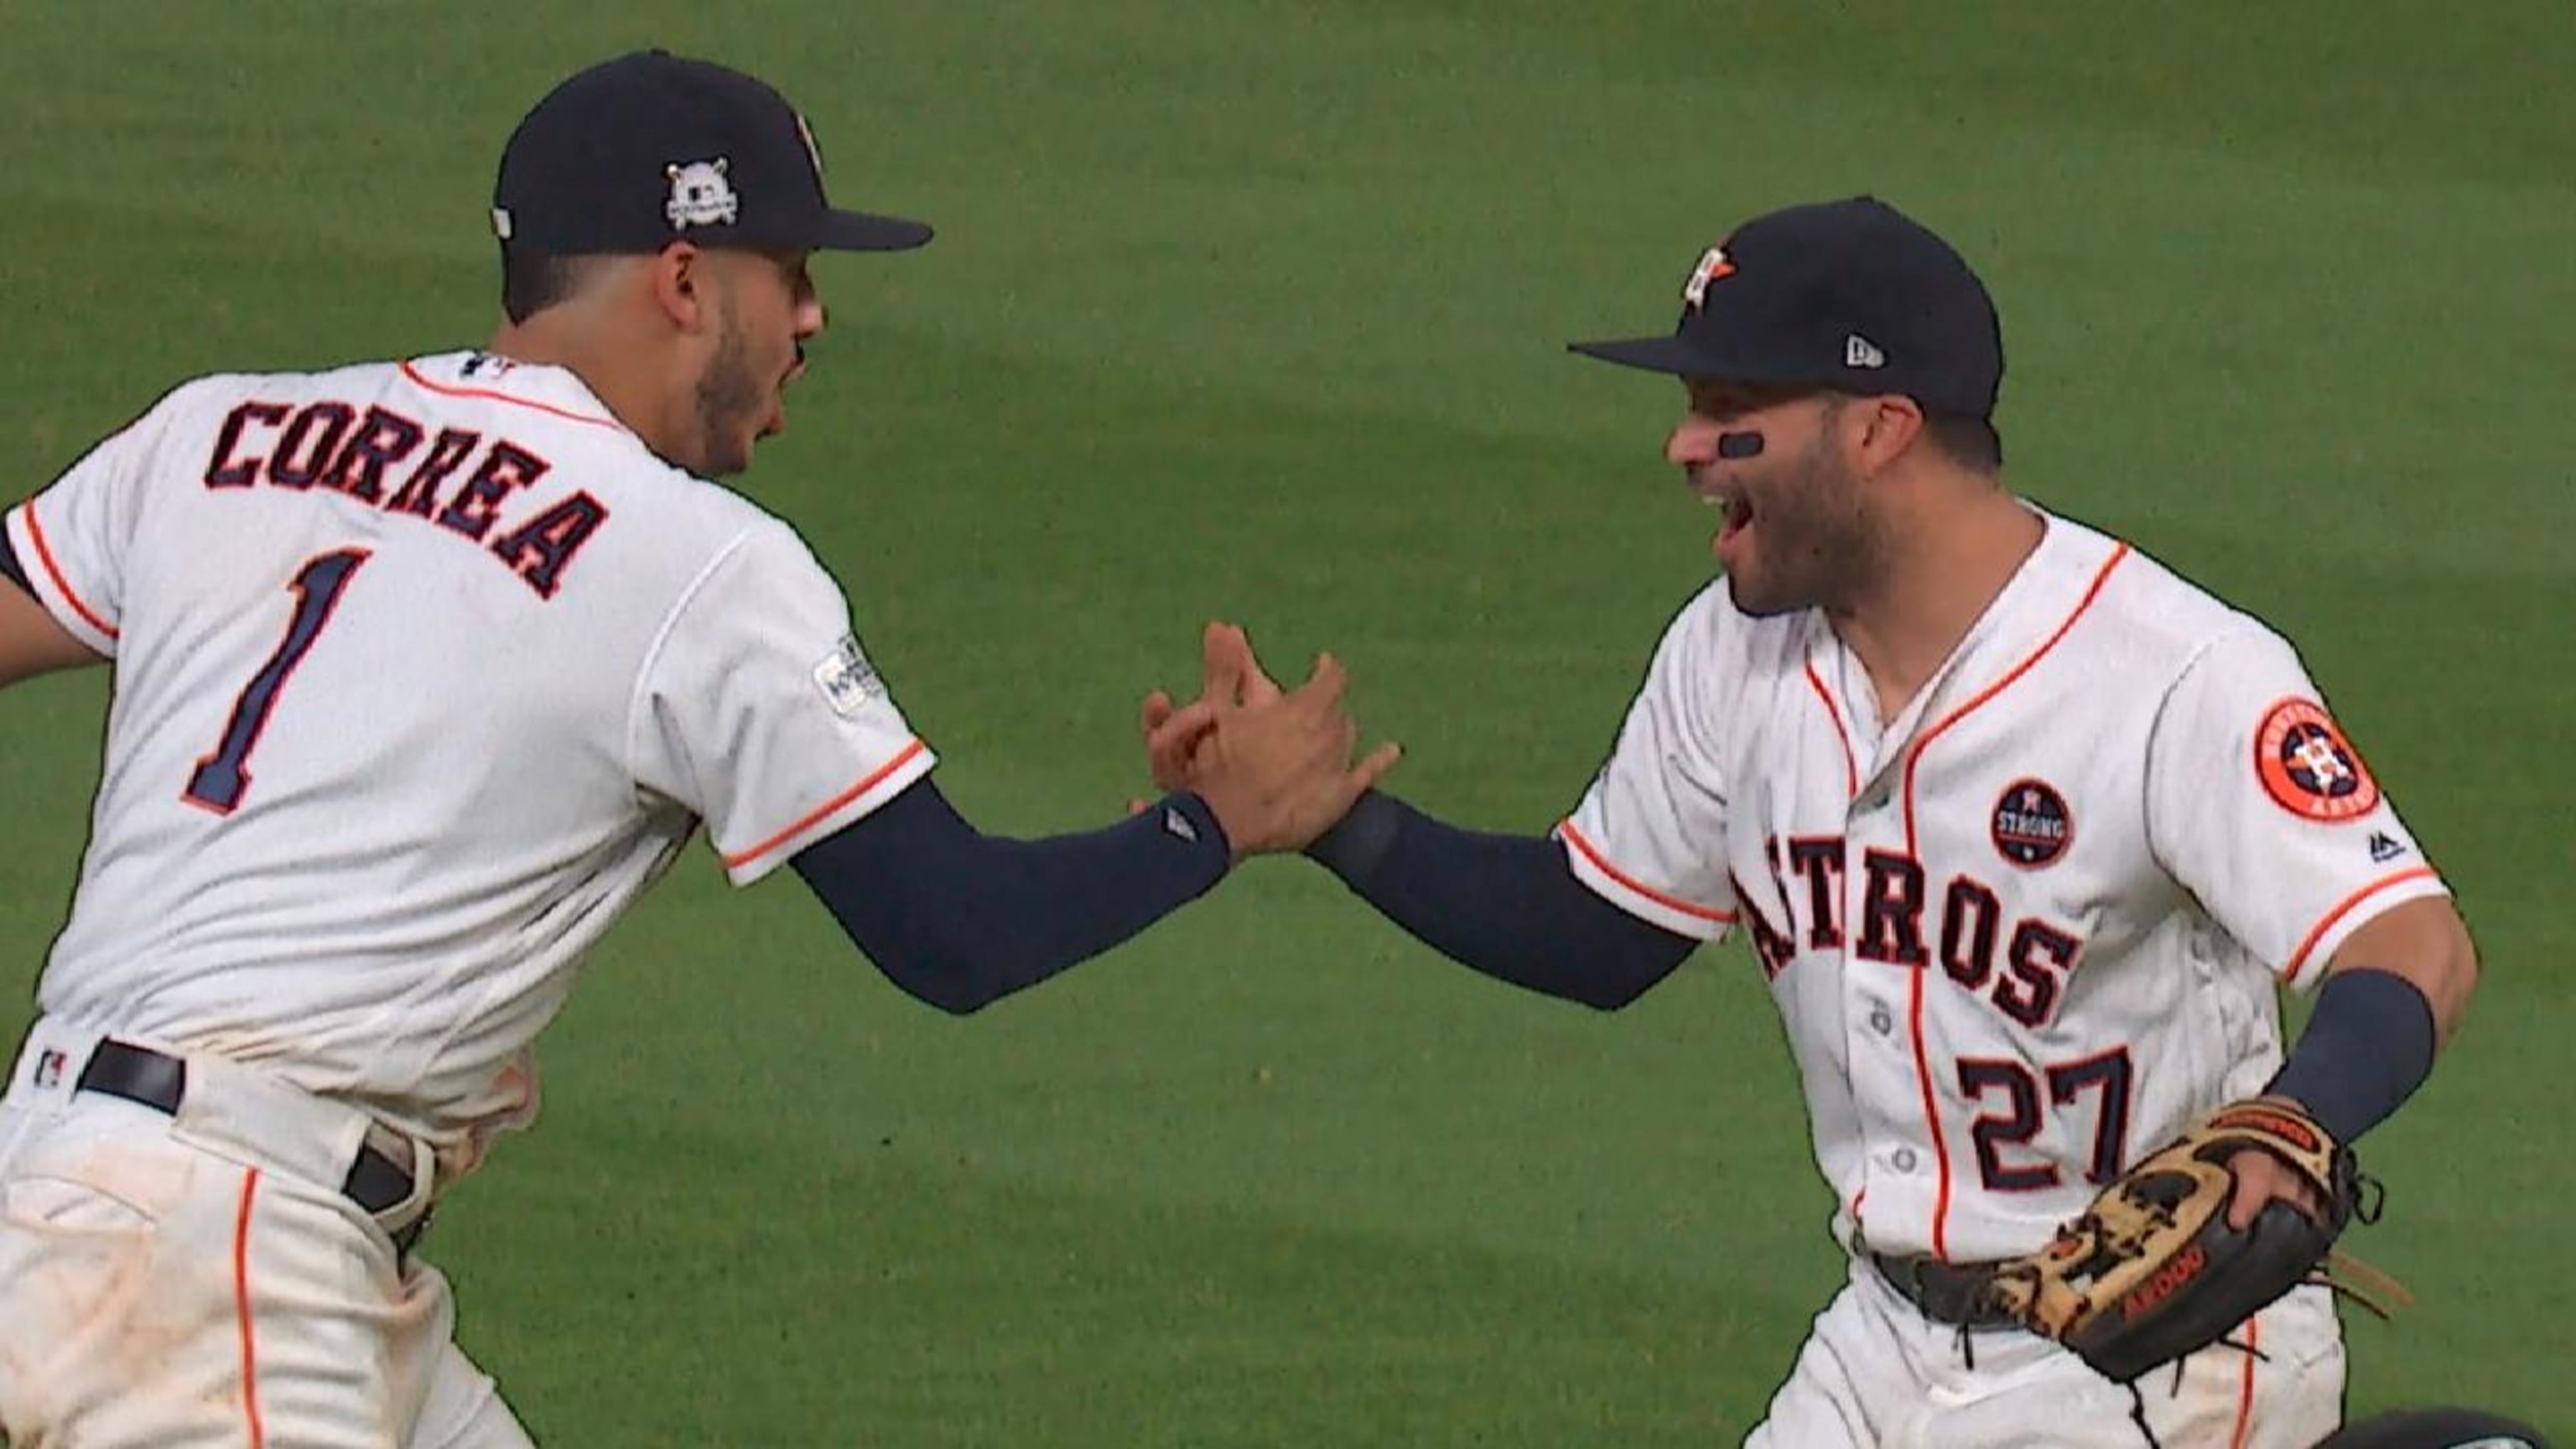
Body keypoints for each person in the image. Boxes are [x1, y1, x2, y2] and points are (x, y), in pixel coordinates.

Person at [0, 49, 1392, 1448]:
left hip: (76, 1192)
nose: (812, 315)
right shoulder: (694, 565)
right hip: (220, 1267)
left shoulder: (222, 431)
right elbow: (956, 932)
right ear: (683, 280)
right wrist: (1216, 823)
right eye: (785, 269)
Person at [1144, 196, 2480, 1446]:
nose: (1683, 446)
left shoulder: (2170, 676)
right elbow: (1598, 930)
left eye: (1731, 411)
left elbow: (2412, 943)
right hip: (1878, 1342)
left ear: (1878, 428)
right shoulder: (1735, 657)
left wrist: (2294, 1120)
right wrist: (1341, 824)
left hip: (2147, 1369)